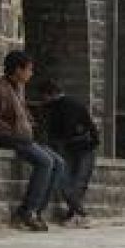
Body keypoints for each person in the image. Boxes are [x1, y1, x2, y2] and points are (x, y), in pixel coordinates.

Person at [0, 50, 66, 232]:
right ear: (17, 70)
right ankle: (27, 211)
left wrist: (30, 123)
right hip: (11, 139)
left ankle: (37, 211)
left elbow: (23, 112)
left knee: (59, 162)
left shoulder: (19, 88)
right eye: (28, 69)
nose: (31, 73)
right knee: (45, 162)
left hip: (25, 138)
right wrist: (14, 133)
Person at [33, 77, 98, 227]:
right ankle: (75, 214)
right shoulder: (64, 105)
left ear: (48, 94)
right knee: (74, 183)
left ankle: (79, 214)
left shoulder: (62, 106)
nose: (42, 100)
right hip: (82, 146)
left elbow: (64, 130)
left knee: (69, 183)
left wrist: (54, 143)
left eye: (43, 96)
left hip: (81, 147)